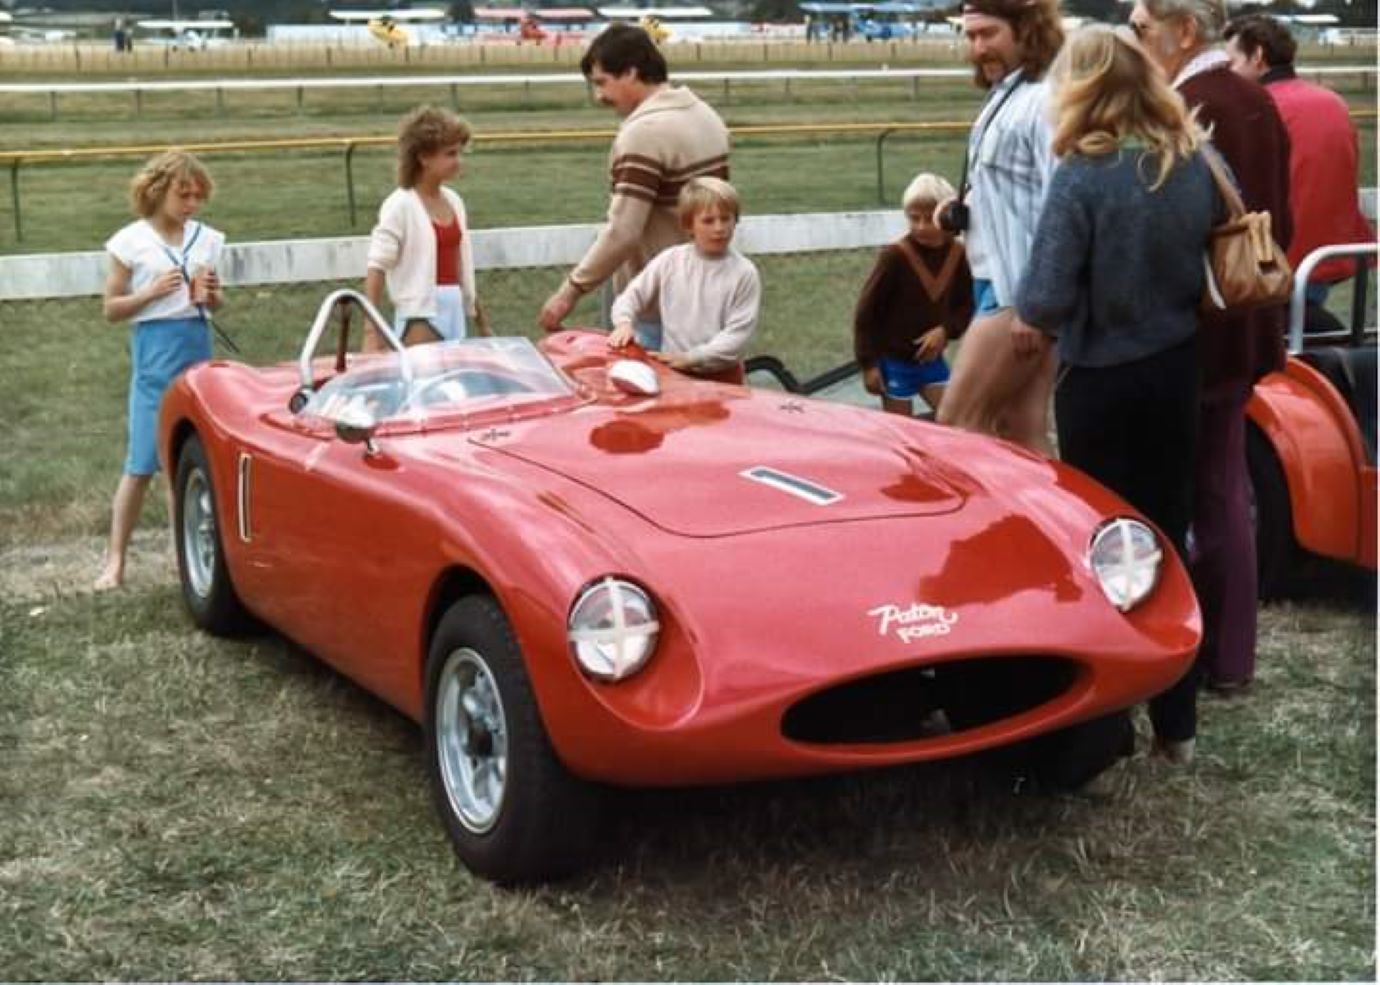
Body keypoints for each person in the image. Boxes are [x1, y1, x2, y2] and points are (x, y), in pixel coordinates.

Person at [1017, 25, 1224, 763]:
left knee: (1105, 547)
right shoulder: (1193, 158)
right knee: (1171, 535)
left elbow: (1041, 298)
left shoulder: (1083, 170)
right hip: (1176, 365)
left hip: (1099, 376)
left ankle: (1106, 724)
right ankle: (1179, 722)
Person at [1131, 0, 1291, 696]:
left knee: (1204, 490)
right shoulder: (1256, 98)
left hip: (1198, 327)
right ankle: (1230, 653)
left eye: (1141, 28)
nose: (1135, 41)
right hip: (1250, 318)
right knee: (1223, 483)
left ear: (1183, 30)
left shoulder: (1185, 107)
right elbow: (1280, 217)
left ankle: (1210, 653)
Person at [537, 23, 730, 340]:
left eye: (602, 83)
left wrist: (569, 291)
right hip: (709, 298)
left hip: (658, 308)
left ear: (630, 72)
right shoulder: (706, 116)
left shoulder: (643, 133)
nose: (600, 96)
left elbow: (623, 232)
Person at [933, 0, 1064, 455]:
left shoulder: (1044, 101)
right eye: (970, 36)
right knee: (1021, 430)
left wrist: (1038, 304)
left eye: (989, 34)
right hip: (1008, 285)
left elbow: (1062, 204)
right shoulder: (1009, 94)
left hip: (1017, 294)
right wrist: (964, 206)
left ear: (1026, 32)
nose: (977, 48)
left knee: (957, 424)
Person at [95, 150, 225, 591]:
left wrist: (210, 295)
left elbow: (215, 302)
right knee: (140, 464)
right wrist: (150, 293)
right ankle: (115, 561)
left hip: (196, 348)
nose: (190, 203)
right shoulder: (129, 242)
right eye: (182, 194)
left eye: (196, 196)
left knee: (185, 464)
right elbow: (111, 309)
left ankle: (186, 557)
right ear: (157, 190)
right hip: (154, 354)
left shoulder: (206, 240)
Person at [1224, 14, 1375, 308]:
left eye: (1232, 64)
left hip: (1277, 263)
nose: (1228, 75)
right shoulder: (1333, 101)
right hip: (1333, 254)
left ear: (1257, 56)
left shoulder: (1260, 108)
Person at [607, 177, 761, 383]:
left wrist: (692, 358)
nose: (719, 228)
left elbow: (737, 335)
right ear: (689, 225)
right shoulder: (670, 260)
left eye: (726, 219)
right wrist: (624, 323)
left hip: (723, 379)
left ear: (736, 220)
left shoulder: (744, 273)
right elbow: (630, 296)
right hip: (674, 374)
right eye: (708, 220)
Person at [365, 106, 488, 351]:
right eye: (450, 154)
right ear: (424, 158)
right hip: (420, 316)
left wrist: (482, 323)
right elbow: (377, 266)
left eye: (460, 153)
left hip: (454, 312)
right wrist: (371, 331)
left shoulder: (454, 201)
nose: (458, 161)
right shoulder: (400, 205)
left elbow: (460, 268)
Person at [854, 172, 973, 416]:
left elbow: (967, 304)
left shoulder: (958, 255)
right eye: (913, 218)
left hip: (931, 362)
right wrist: (869, 365)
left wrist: (945, 331)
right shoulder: (895, 256)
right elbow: (866, 313)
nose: (920, 226)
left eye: (929, 219)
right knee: (901, 432)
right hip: (894, 362)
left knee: (957, 420)